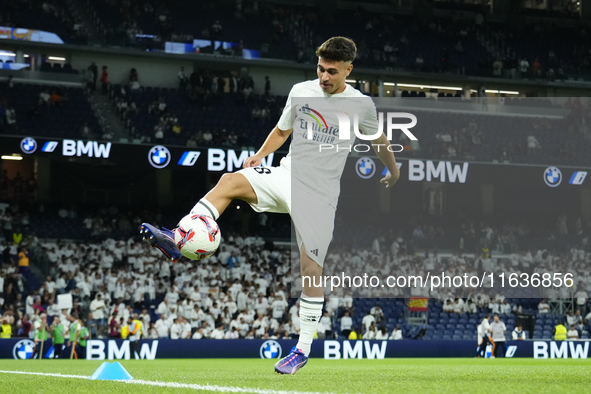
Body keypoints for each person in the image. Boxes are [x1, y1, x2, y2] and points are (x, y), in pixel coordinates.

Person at [140, 36, 400, 375]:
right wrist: (259, 156)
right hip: (286, 176)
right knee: (229, 181)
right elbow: (282, 131)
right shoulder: (300, 92)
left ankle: (302, 350)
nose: (324, 77)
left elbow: (378, 140)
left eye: (332, 72)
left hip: (319, 196)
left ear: (348, 70)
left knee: (311, 270)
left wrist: (392, 171)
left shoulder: (361, 104)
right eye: (320, 69)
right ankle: (179, 239)